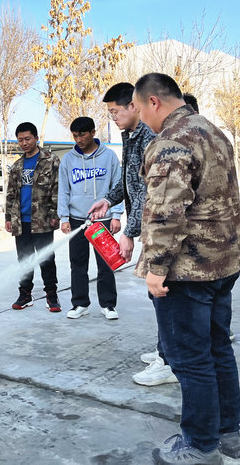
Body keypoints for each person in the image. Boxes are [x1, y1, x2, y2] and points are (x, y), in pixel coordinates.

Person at [132, 73, 240, 464]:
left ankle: (200, 444)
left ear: (153, 101)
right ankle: (227, 433)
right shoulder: (213, 131)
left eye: (139, 109)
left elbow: (166, 212)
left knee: (189, 359)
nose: (142, 118)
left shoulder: (171, 140)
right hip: (222, 263)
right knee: (218, 349)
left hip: (187, 270)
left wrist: (156, 267)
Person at [89, 82, 178, 387]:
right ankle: (165, 350)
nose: (113, 117)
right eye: (110, 113)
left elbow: (146, 192)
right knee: (158, 294)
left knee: (162, 291)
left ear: (133, 106)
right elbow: (129, 184)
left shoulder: (150, 137)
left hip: (158, 227)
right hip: (150, 227)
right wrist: (108, 200)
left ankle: (169, 361)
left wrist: (128, 231)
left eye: (116, 111)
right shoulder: (130, 136)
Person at [58, 116, 124, 320]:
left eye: (82, 135)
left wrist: (116, 215)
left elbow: (118, 186)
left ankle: (108, 305)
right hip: (77, 218)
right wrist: (64, 217)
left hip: (102, 218)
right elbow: (63, 190)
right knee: (77, 263)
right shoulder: (68, 160)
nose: (79, 139)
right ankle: (80, 304)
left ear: (93, 133)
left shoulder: (109, 156)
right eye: (75, 136)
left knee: (106, 263)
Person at [5, 122, 61, 312]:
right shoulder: (17, 166)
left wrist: (55, 213)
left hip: (43, 220)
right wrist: (8, 217)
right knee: (24, 260)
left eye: (28, 139)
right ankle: (25, 294)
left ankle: (51, 295)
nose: (24, 143)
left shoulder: (51, 160)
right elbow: (10, 194)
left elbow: (57, 188)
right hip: (21, 221)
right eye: (20, 140)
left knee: (46, 259)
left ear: (36, 138)